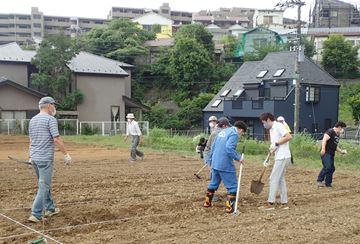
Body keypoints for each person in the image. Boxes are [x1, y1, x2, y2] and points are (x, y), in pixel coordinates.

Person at [28, 97, 72, 223]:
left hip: (35, 158)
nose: (55, 108)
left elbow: (31, 140)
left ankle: (50, 208)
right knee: (44, 186)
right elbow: (56, 139)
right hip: (45, 159)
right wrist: (66, 154)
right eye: (54, 105)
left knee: (43, 184)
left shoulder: (33, 120)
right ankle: (36, 214)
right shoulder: (50, 119)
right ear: (48, 106)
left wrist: (30, 156)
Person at [203, 120, 247, 214]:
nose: (241, 135)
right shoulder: (234, 134)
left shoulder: (223, 131)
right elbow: (229, 148)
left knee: (213, 183)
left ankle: (207, 203)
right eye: (242, 133)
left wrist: (210, 161)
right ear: (240, 129)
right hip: (225, 164)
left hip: (215, 162)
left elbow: (213, 146)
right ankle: (230, 208)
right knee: (232, 186)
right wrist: (239, 158)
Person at [259, 113, 292, 211]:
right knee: (280, 179)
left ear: (268, 120)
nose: (264, 125)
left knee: (273, 178)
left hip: (283, 156)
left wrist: (276, 144)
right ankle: (284, 203)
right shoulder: (272, 130)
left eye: (264, 122)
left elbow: (288, 136)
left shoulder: (278, 126)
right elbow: (275, 146)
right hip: (280, 156)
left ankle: (270, 203)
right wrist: (268, 158)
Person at [317, 121, 347, 188]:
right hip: (326, 153)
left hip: (331, 153)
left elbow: (335, 146)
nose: (343, 130)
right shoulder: (330, 131)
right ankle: (319, 180)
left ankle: (328, 183)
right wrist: (323, 149)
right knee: (327, 167)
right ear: (339, 127)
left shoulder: (337, 135)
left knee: (332, 168)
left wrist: (341, 151)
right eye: (343, 128)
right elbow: (324, 139)